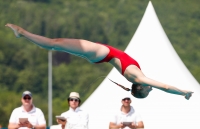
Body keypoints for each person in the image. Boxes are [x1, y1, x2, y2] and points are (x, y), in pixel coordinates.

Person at [5, 24, 193, 100]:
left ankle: (22, 33)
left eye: (147, 90)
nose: (150, 88)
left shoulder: (139, 78)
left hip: (102, 53)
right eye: (149, 90)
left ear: (141, 88)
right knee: (57, 44)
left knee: (56, 44)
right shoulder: (137, 78)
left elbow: (165, 87)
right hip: (101, 55)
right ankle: (23, 34)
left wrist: (183, 92)